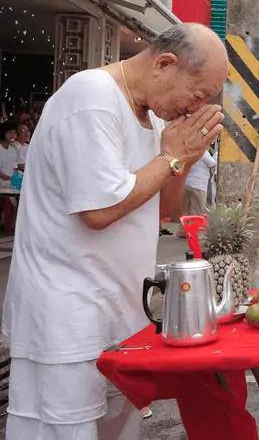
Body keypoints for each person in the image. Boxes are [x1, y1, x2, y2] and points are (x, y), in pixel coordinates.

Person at [2, 23, 227, 440]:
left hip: (121, 313)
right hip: (68, 317)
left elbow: (164, 208)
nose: (194, 108)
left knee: (118, 429)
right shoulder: (92, 97)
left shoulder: (155, 118)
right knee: (63, 430)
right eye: (197, 95)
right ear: (165, 64)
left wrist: (186, 157)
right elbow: (99, 209)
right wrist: (172, 157)